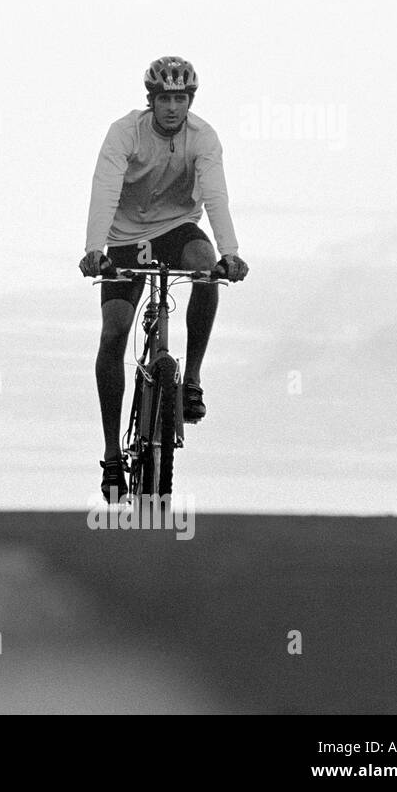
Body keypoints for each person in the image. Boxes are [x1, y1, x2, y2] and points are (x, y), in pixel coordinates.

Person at [78, 57, 249, 502]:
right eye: (164, 99)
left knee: (206, 266)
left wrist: (230, 254)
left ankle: (190, 380)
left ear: (189, 101)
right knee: (114, 333)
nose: (172, 108)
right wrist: (94, 248)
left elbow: (215, 195)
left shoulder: (203, 138)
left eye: (180, 99)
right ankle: (112, 455)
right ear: (150, 101)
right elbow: (105, 188)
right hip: (123, 236)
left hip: (176, 230)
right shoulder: (124, 133)